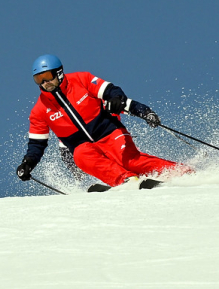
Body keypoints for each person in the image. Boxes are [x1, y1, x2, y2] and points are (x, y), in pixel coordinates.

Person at [16, 54, 184, 191]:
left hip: (109, 133)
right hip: (83, 146)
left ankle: (182, 173)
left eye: (47, 77)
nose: (44, 83)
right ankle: (127, 181)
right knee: (80, 156)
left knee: (129, 160)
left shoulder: (81, 79)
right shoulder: (39, 110)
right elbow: (36, 144)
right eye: (39, 79)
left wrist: (126, 103)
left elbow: (111, 91)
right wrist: (28, 163)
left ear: (59, 73)